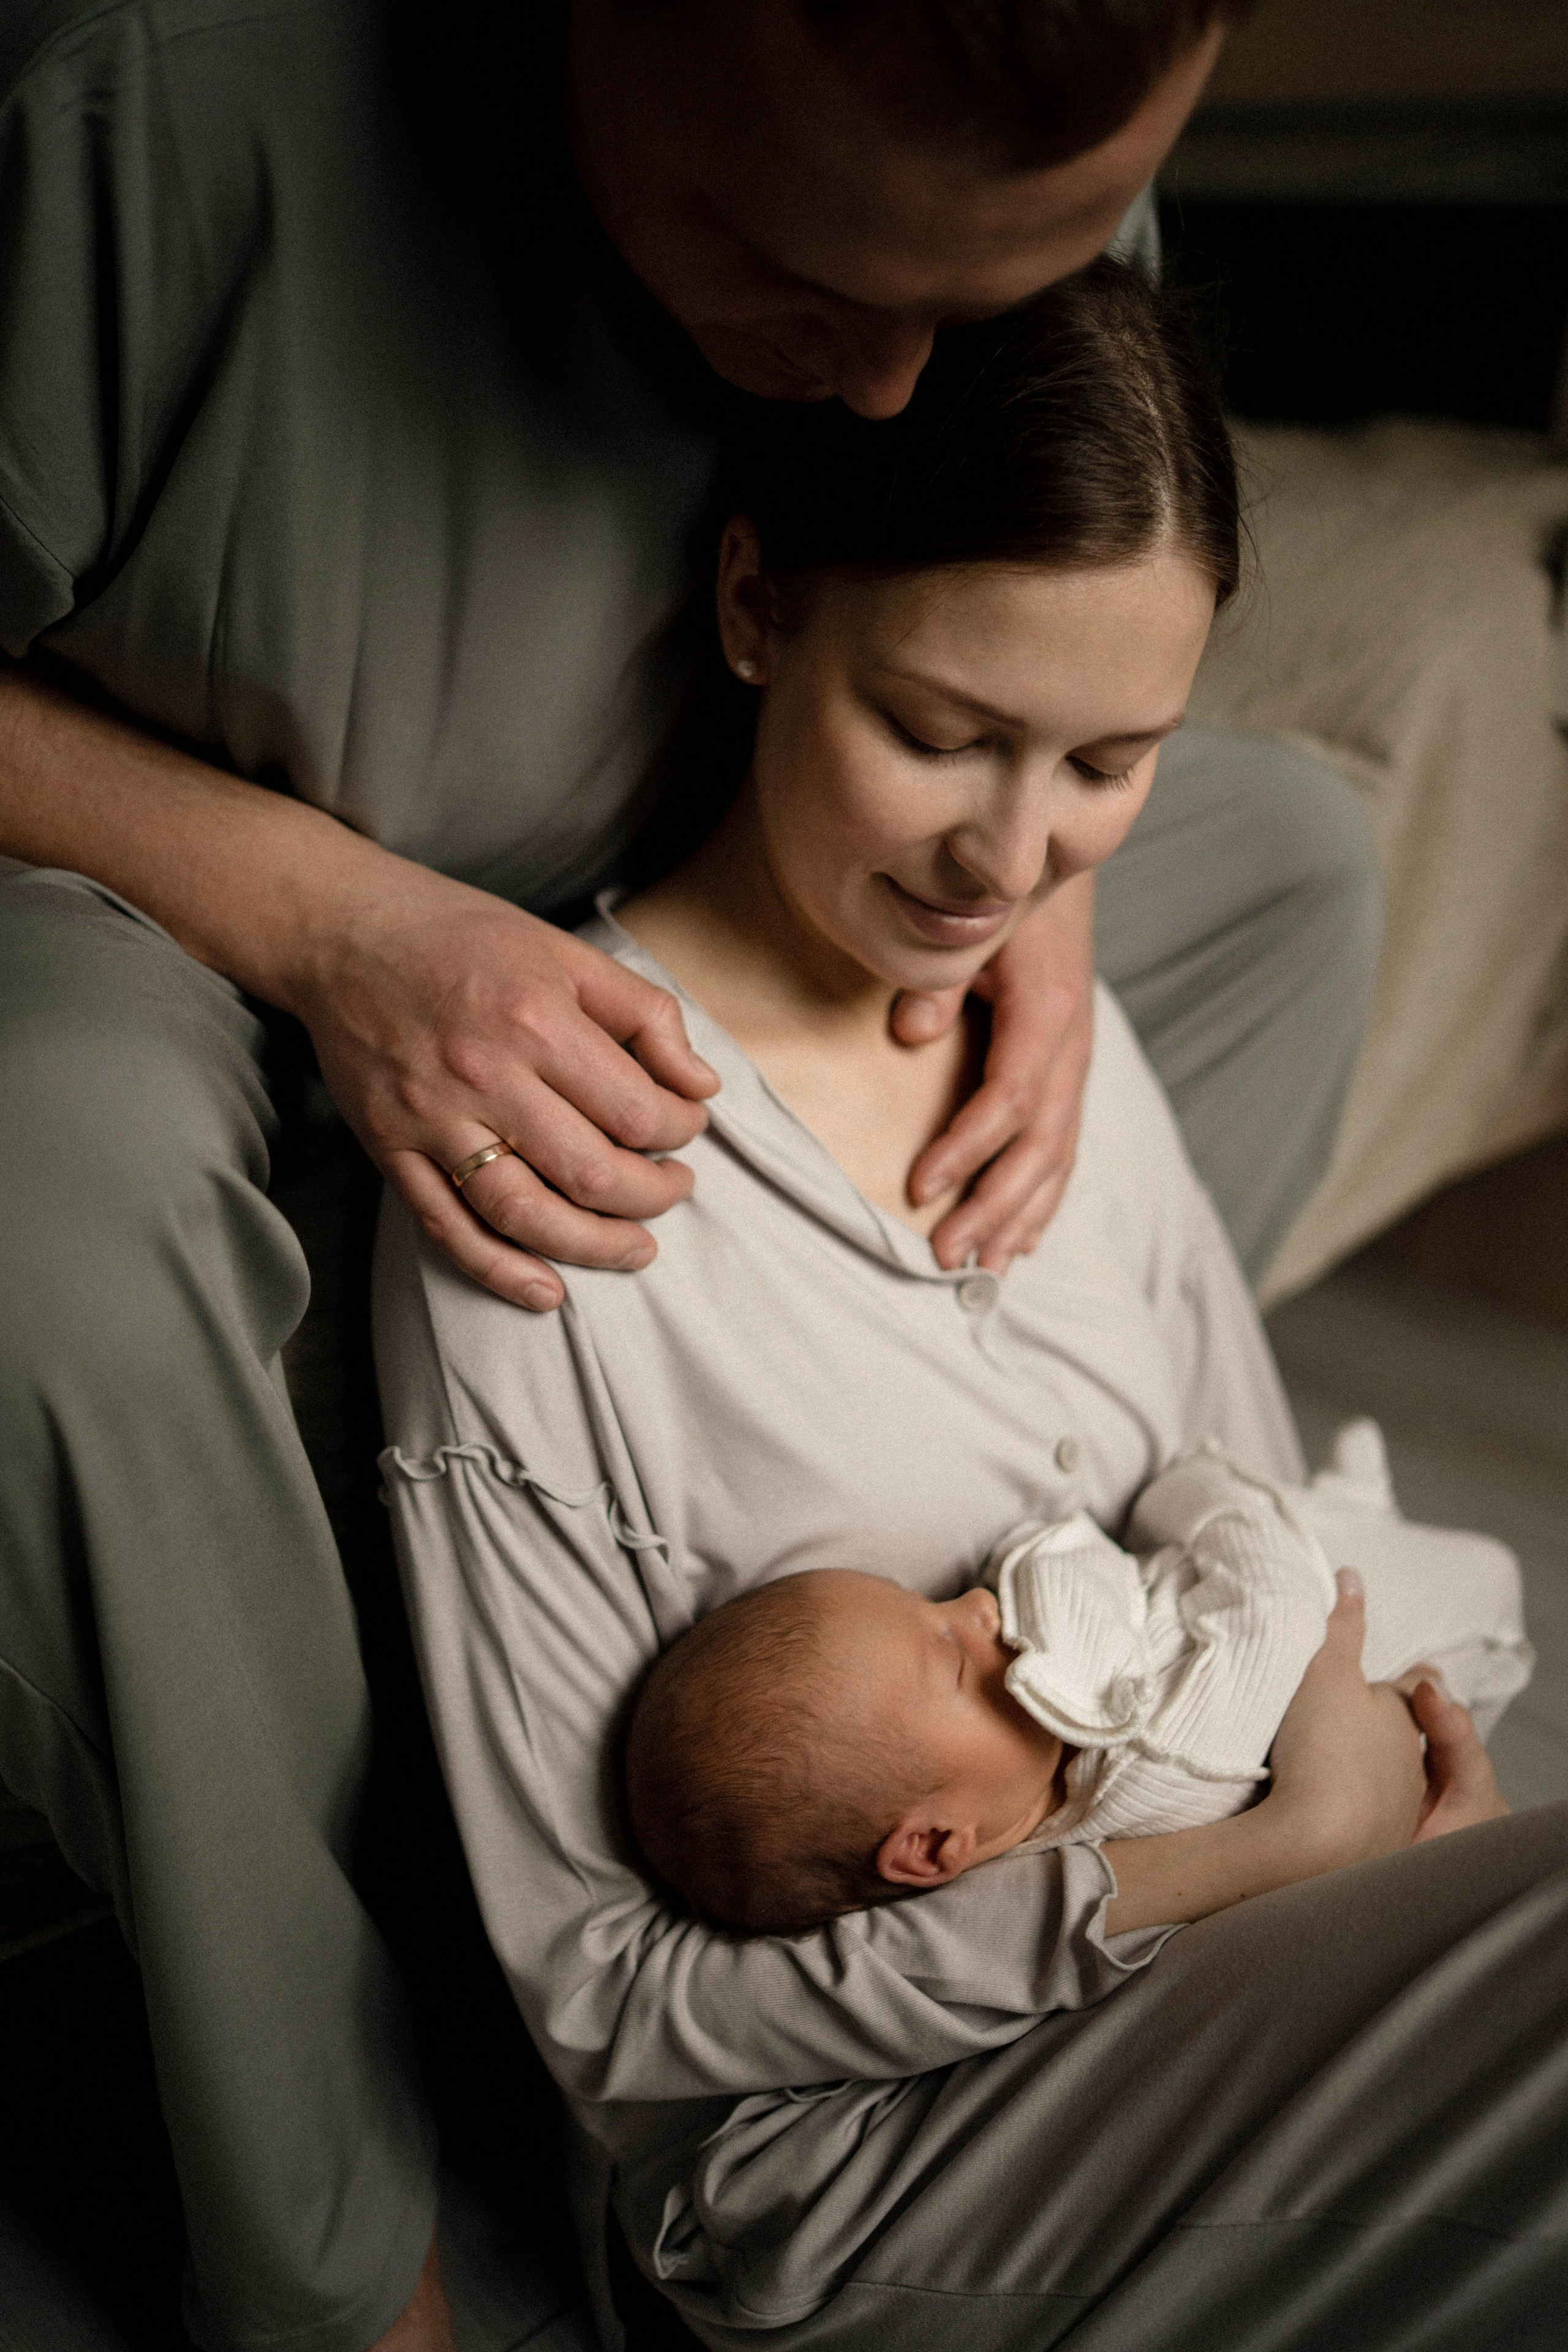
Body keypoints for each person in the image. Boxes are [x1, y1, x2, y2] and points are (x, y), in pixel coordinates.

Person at [0, 6, 1380, 2348]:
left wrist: (1020, 884)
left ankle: (911, 1695)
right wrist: (331, 924)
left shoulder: (1019, 104)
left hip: (713, 814)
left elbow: (1015, 540)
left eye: (972, 299)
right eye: (809, 276)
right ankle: (346, 2254)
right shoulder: (139, 112)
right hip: (170, 889)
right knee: (54, 1201)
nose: (878, 390)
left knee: (1295, 860)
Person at [375, 261, 1562, 2351]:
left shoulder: (1059, 1062)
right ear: (759, 607)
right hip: (850, 2159)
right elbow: (623, 2014)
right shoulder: (553, 1185)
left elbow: (1271, 1548)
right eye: (944, 734)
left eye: (1110, 766)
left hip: (1228, 1956)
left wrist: (1379, 1828)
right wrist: (1271, 1863)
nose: (1011, 857)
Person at [624, 1434, 1531, 1936]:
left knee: (1310, 1532)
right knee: (1438, 1575)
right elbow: (1280, 1610)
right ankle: (1353, 1514)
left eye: (934, 1601)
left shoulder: (1031, 1781)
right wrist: (1193, 1491)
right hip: (1434, 1621)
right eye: (951, 1656)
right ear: (936, 1845)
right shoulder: (1158, 1758)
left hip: (1258, 1589)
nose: (980, 1606)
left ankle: (1351, 1502)